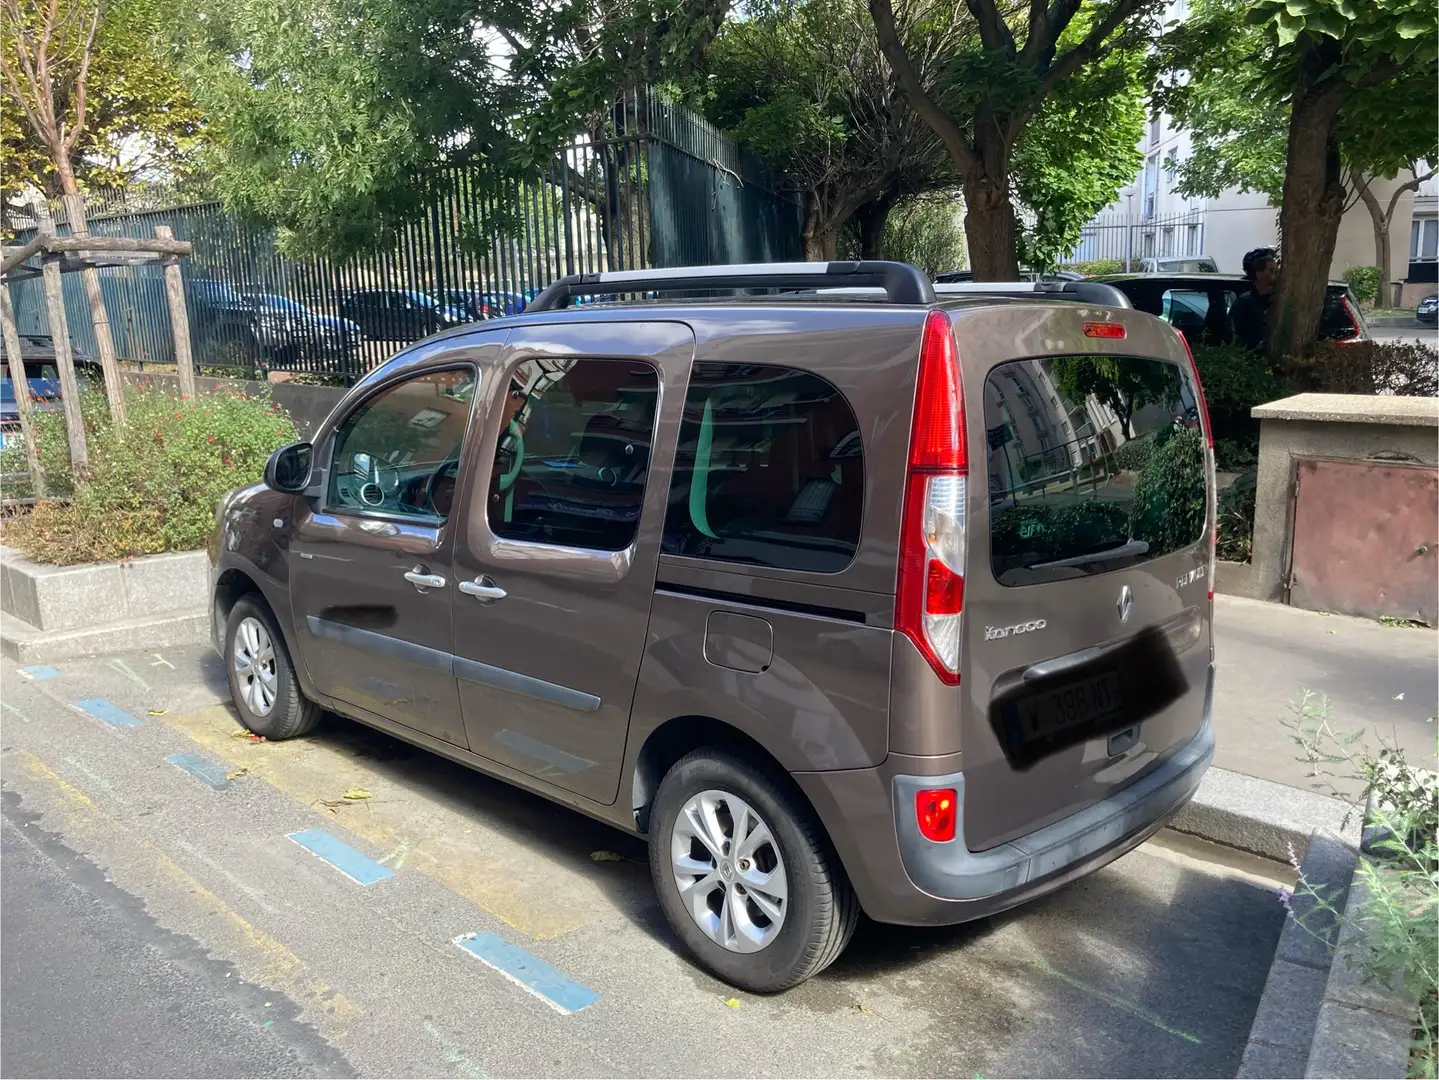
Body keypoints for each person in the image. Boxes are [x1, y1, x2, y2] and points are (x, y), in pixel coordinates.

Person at [1231, 247, 1279, 351]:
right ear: (1259, 274)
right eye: (1272, 271)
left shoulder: (1280, 299)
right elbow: (1233, 333)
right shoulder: (1243, 303)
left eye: (1277, 270)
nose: (1277, 274)